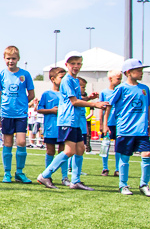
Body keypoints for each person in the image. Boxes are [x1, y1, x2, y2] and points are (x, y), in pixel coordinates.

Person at [37, 51, 107, 190]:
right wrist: (95, 104)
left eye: (78, 63)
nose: (76, 66)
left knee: (80, 149)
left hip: (75, 121)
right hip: (67, 120)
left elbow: (76, 100)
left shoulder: (74, 80)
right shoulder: (67, 80)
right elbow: (74, 102)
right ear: (67, 64)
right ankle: (45, 175)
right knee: (69, 151)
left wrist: (89, 99)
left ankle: (75, 181)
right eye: (73, 63)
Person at [104, 59, 150, 196]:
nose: (141, 73)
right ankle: (123, 185)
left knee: (147, 154)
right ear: (128, 72)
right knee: (124, 157)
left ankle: (144, 184)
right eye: (139, 70)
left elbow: (149, 107)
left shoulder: (145, 89)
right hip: (125, 129)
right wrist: (105, 124)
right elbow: (109, 105)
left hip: (141, 130)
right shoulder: (121, 88)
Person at [0, 46, 35, 183]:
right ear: (4, 59)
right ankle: (7, 173)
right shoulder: (1, 75)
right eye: (8, 58)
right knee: (8, 142)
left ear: (18, 59)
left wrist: (22, 103)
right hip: (6, 114)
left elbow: (31, 94)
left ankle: (20, 172)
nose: (11, 61)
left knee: (21, 142)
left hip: (21, 114)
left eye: (13, 58)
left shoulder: (25, 75)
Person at [37, 68, 66, 184]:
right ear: (53, 79)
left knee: (64, 152)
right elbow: (39, 109)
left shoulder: (66, 94)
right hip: (51, 128)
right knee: (50, 151)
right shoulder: (47, 94)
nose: (64, 80)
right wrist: (51, 111)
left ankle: (65, 177)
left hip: (64, 127)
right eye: (61, 77)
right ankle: (47, 176)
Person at [99, 70, 122, 176]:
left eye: (121, 79)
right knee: (105, 145)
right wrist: (101, 123)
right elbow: (101, 109)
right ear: (110, 79)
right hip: (108, 123)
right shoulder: (104, 92)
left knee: (118, 146)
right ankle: (105, 168)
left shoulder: (122, 91)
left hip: (119, 123)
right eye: (118, 79)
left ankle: (118, 169)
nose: (120, 81)